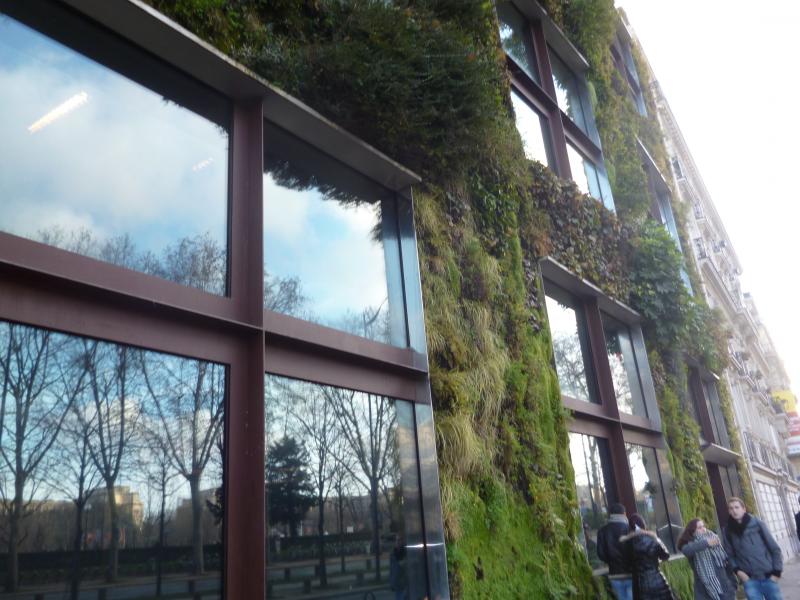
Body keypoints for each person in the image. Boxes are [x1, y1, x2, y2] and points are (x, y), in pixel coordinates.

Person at [722, 497, 783, 600]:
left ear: (743, 509)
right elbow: (730, 554)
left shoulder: (757, 524)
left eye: (737, 507)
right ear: (729, 511)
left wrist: (777, 571)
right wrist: (738, 571)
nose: (734, 511)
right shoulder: (727, 530)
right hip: (750, 580)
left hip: (768, 577)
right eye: (731, 508)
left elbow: (775, 549)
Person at [677, 518, 737, 600]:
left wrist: (733, 583)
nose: (703, 529)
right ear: (692, 531)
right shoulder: (691, 545)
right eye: (699, 527)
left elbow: (726, 563)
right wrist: (707, 543)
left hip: (725, 587)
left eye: (703, 526)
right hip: (705, 591)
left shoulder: (713, 538)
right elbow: (686, 550)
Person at [620, 513, 674, 600]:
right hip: (658, 580)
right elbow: (666, 556)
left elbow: (625, 563)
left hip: (639, 583)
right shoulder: (653, 538)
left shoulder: (627, 543)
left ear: (630, 527)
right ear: (643, 524)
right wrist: (655, 559)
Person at [596, 503, 633, 600]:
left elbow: (601, 554)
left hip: (614, 574)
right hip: (632, 574)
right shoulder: (630, 529)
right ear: (624, 514)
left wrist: (611, 561)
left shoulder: (602, 531)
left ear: (610, 514)